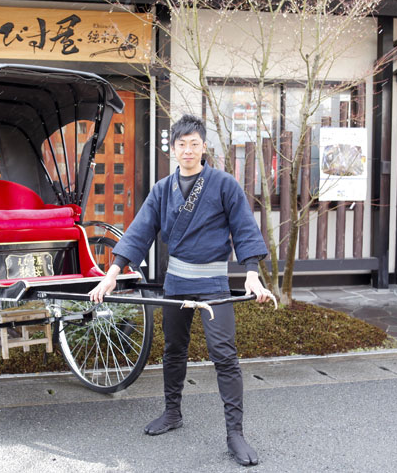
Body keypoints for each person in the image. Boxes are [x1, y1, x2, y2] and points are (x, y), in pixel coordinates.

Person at [89, 114, 273, 467]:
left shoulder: (224, 185)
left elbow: (245, 230)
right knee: (174, 350)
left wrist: (252, 274)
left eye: (194, 144)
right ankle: (172, 413)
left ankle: (235, 433)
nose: (187, 150)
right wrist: (112, 273)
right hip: (176, 282)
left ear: (204, 147)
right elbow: (140, 231)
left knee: (225, 355)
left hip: (214, 284)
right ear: (172, 149)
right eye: (181, 144)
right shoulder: (162, 189)